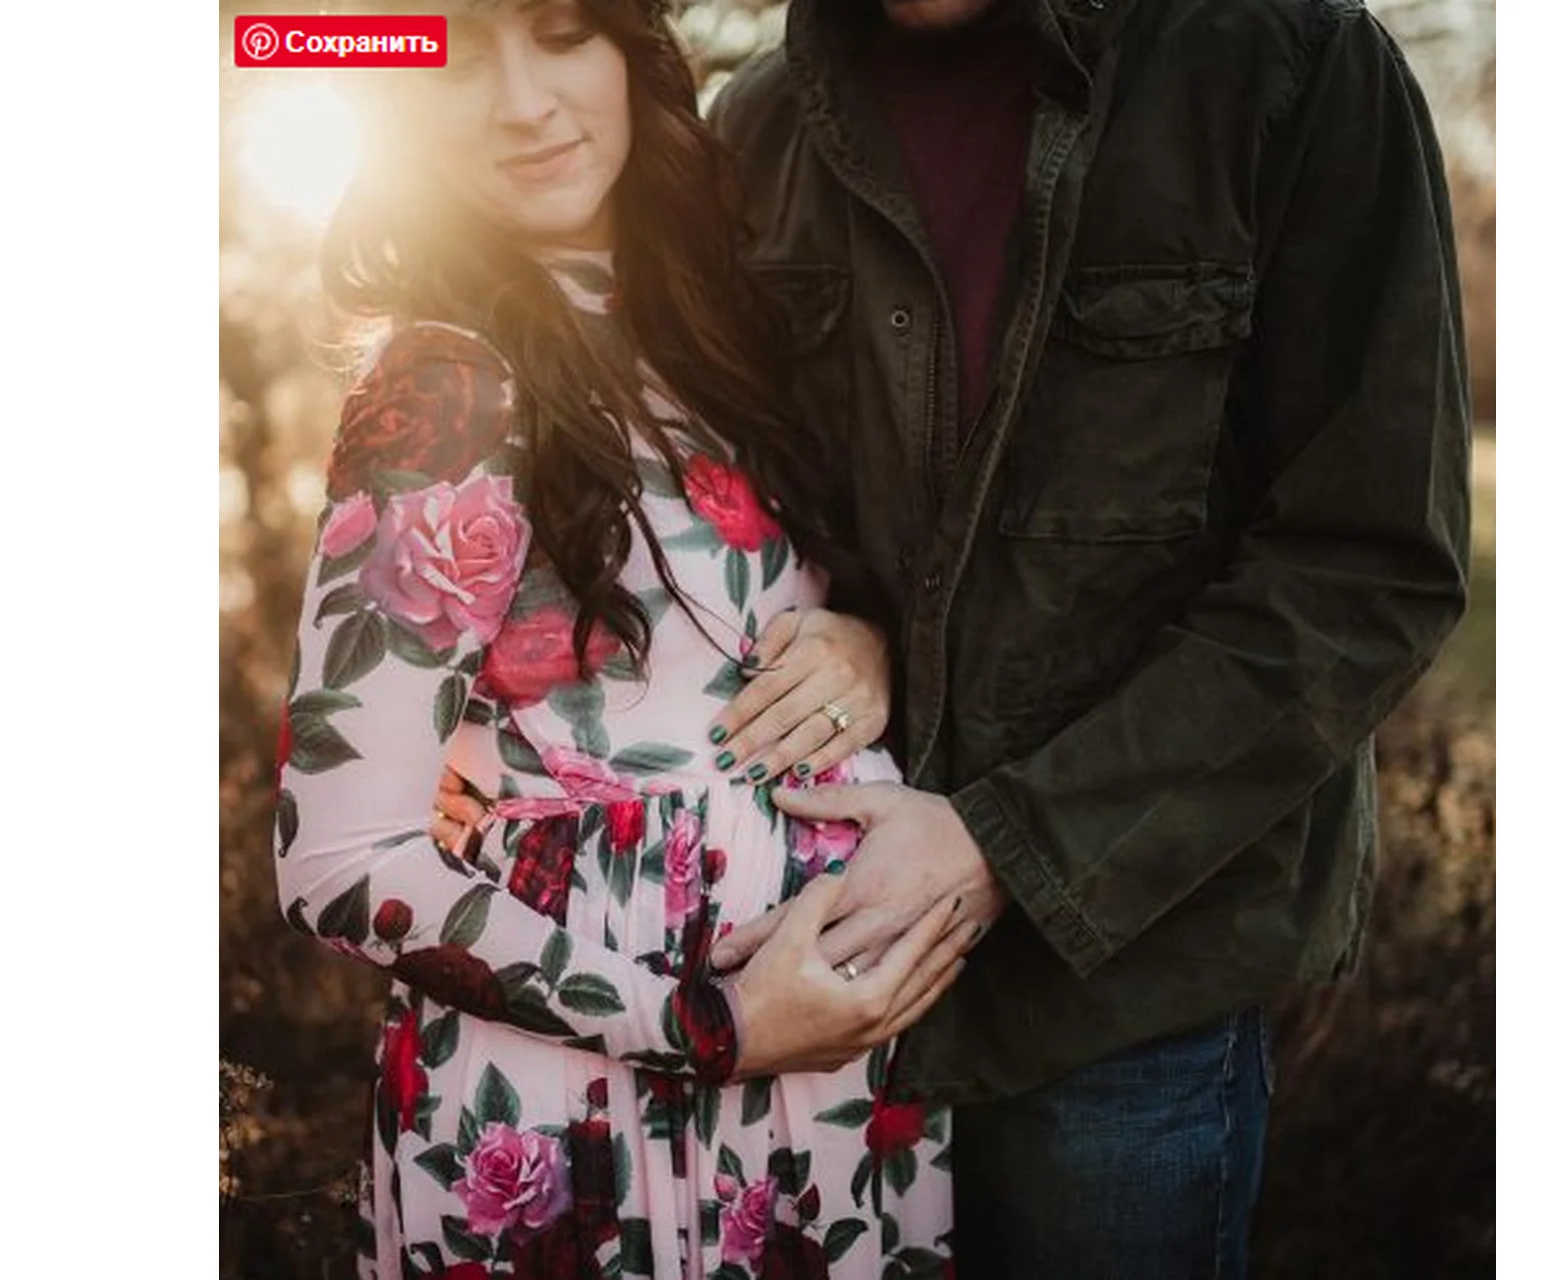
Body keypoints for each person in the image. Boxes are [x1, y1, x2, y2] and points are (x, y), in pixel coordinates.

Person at [450, 0, 1471, 1275]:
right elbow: (726, 482)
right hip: (808, 1002)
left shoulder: (1288, 66)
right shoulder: (760, 128)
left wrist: (1006, 845)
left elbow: (1365, 568)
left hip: (1118, 1017)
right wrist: (850, 628)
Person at [270, 3, 976, 1277]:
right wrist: (708, 1021)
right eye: (457, 57)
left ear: (630, 50)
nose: (523, 102)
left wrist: (865, 642)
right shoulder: (443, 386)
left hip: (815, 1111)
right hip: (587, 1107)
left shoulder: (711, 324)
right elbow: (338, 856)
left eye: (558, 33)